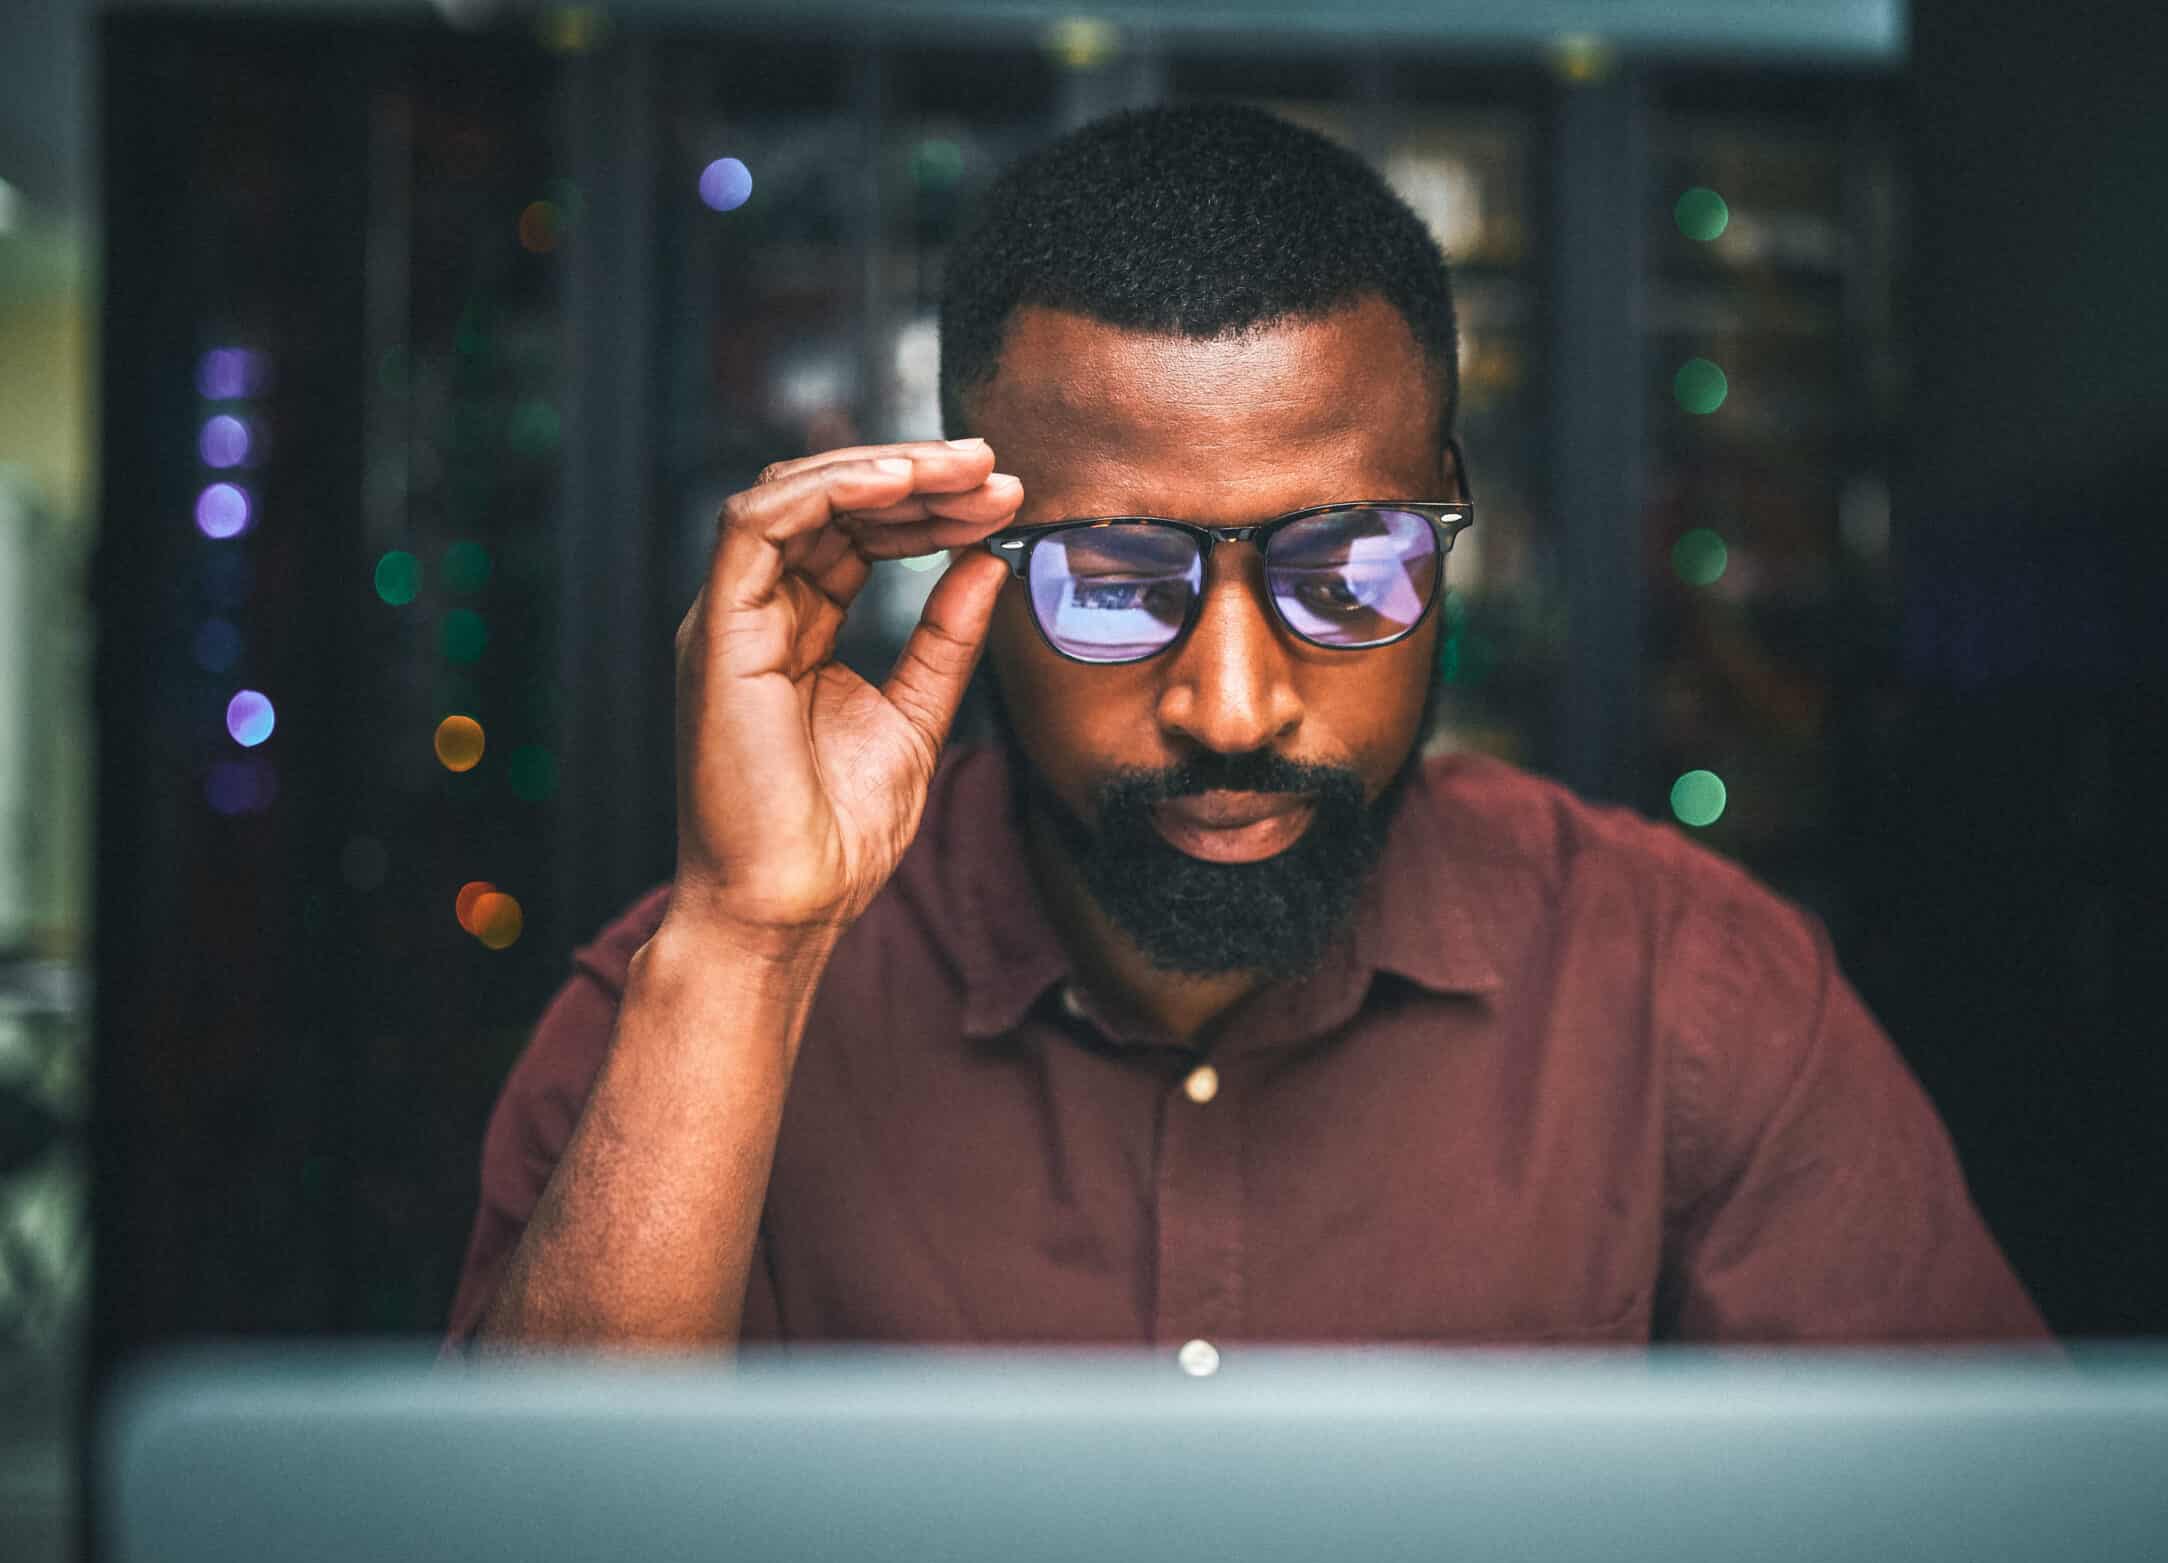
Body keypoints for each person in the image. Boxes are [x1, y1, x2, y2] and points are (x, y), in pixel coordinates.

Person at [448, 103, 2046, 1352]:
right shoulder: (695, 1001)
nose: (1234, 704)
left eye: (1348, 566)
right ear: (968, 567)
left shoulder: (1689, 993)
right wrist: (743, 943)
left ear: (1451, 530)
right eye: (1116, 576)